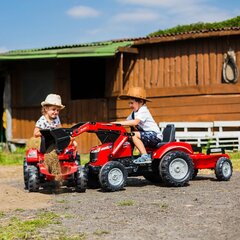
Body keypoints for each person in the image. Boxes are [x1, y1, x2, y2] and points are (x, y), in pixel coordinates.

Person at [112, 87, 162, 164]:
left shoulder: (143, 110)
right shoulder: (134, 113)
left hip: (155, 136)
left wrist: (118, 123)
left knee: (134, 135)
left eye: (132, 103)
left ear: (141, 102)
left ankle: (145, 156)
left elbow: (135, 122)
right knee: (127, 136)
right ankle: (127, 157)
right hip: (147, 135)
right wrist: (114, 125)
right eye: (129, 103)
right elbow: (127, 122)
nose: (130, 105)